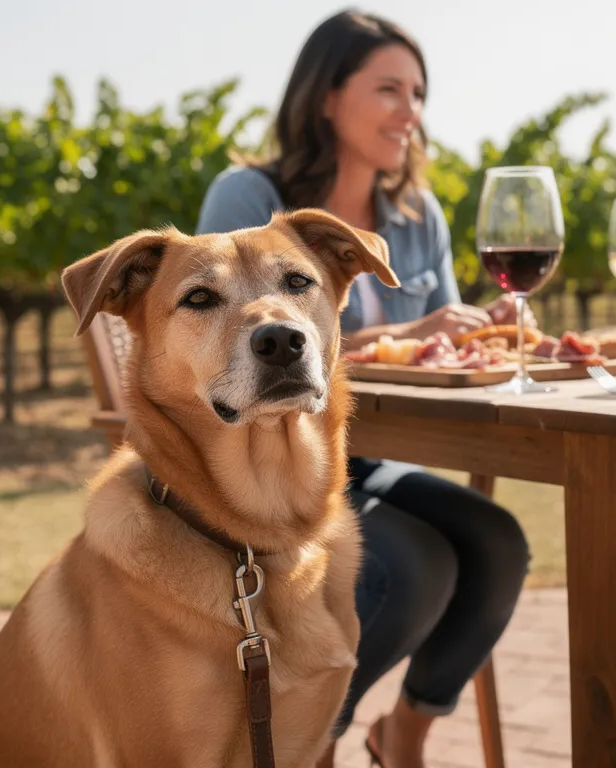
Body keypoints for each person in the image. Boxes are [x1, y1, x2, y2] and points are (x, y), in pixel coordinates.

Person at [193, 11, 531, 768]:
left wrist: (482, 328)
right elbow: (230, 347)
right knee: (415, 560)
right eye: (388, 89)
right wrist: (409, 335)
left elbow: (438, 341)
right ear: (325, 97)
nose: (410, 112)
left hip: (379, 450)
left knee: (497, 540)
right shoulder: (247, 197)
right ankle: (292, 742)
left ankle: (402, 732)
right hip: (276, 462)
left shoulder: (416, 216)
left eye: (418, 93)